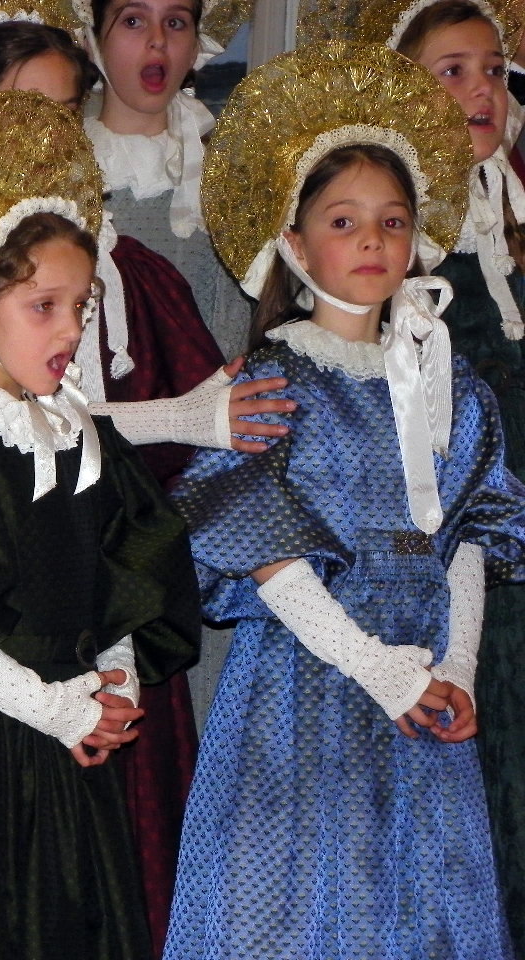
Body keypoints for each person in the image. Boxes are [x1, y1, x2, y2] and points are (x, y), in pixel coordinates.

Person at [164, 42, 525, 958]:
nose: (372, 240)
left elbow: (468, 536)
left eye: (393, 221)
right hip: (307, 689)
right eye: (344, 220)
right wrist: (379, 670)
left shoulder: (450, 386)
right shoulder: (276, 385)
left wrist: (455, 669)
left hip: (425, 677)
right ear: (294, 245)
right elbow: (269, 555)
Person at [0, 90, 200, 960]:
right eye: (43, 306)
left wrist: (114, 679)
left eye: (81, 307)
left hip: (73, 743)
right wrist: (55, 710)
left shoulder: (78, 431)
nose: (69, 329)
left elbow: (124, 565)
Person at [355, 2, 525, 947]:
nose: (480, 90)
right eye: (452, 71)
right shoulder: (397, 266)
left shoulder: (512, 226)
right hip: (461, 571)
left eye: (493, 69)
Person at [85, 0, 253, 361]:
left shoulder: (228, 185)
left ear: (195, 46)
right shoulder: (59, 170)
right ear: (92, 40)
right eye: (133, 20)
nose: (158, 39)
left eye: (175, 22)